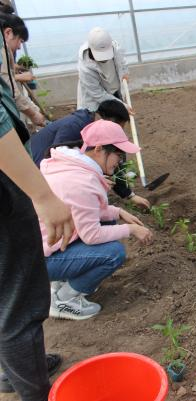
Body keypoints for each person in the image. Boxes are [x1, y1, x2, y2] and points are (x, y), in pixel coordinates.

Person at [0, 29, 74, 401]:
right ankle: (35, 392)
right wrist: (43, 195)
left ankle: (17, 371)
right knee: (21, 302)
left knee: (6, 296)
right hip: (5, 191)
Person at [39, 119, 153, 320]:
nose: (120, 161)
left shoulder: (69, 165)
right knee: (113, 253)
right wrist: (131, 229)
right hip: (40, 262)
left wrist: (117, 212)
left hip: (39, 248)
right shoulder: (81, 181)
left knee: (109, 223)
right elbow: (91, 235)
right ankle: (64, 300)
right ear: (99, 149)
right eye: (118, 154)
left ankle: (60, 283)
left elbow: (82, 210)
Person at [28, 99, 150, 209]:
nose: (118, 132)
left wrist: (129, 195)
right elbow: (55, 157)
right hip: (34, 167)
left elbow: (112, 160)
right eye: (118, 127)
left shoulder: (96, 130)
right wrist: (92, 177)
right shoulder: (74, 125)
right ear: (108, 121)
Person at [0, 11, 45, 128]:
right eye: (20, 41)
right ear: (8, 33)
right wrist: (34, 114)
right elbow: (10, 89)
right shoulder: (2, 50)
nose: (20, 47)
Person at [77, 27, 133, 114]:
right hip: (96, 98)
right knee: (99, 119)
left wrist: (125, 72)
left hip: (115, 89)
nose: (104, 59)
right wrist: (121, 105)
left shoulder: (115, 47)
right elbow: (98, 94)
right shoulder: (85, 68)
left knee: (119, 115)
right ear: (91, 50)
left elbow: (122, 61)